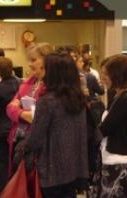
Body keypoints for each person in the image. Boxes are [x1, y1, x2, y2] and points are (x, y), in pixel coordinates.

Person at [24, 53, 89, 198]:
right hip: (74, 169)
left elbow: (35, 139)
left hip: (51, 171)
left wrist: (22, 147)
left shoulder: (48, 101)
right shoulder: (79, 98)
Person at [88, 55, 127, 197]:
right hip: (109, 157)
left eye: (105, 74)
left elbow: (104, 129)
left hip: (116, 161)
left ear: (117, 75)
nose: (102, 78)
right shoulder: (117, 95)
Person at [6, 42, 53, 175]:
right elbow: (9, 108)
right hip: (18, 139)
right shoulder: (29, 82)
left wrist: (19, 108)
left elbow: (41, 116)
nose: (30, 64)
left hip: (38, 144)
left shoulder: (52, 86)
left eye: (33, 60)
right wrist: (22, 114)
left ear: (46, 60)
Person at [0, 57, 21, 197]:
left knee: (0, 169)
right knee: (16, 167)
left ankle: (2, 194)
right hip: (17, 130)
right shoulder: (21, 84)